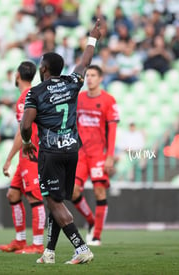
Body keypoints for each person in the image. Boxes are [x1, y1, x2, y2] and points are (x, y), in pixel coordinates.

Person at [20, 19, 102, 265]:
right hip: (72, 151)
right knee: (57, 200)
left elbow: (25, 125)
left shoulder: (35, 92)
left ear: (44, 68)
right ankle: (50, 252)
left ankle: (81, 247)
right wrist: (93, 38)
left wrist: (26, 142)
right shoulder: (72, 82)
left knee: (53, 201)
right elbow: (85, 61)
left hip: (50, 153)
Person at [0, 61, 46, 254]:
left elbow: (22, 132)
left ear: (17, 75)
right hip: (25, 155)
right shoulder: (30, 94)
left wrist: (9, 157)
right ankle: (20, 240)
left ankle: (37, 244)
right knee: (13, 194)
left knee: (34, 197)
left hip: (31, 154)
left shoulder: (25, 98)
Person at [71, 65, 119, 247]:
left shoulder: (109, 100)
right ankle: (91, 220)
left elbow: (113, 130)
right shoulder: (79, 98)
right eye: (87, 75)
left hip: (99, 153)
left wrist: (110, 156)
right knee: (73, 191)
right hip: (80, 153)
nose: (89, 78)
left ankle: (97, 235)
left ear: (100, 79)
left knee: (100, 191)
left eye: (93, 75)